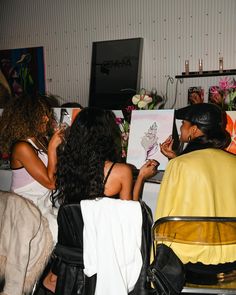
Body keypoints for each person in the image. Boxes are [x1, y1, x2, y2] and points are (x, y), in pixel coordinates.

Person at [34, 107, 157, 295]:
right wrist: (141, 177)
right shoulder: (120, 171)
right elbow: (131, 217)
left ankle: (54, 275)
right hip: (105, 243)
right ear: (107, 136)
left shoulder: (67, 166)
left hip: (75, 242)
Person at [155, 103, 236, 281]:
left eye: (183, 123)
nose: (181, 127)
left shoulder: (181, 165)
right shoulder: (233, 162)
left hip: (190, 263)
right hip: (232, 260)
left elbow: (163, 221)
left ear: (194, 129)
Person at [0, 94, 64, 241]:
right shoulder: (22, 147)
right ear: (28, 117)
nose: (47, 119)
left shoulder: (40, 141)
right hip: (26, 212)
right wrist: (53, 147)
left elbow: (53, 171)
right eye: (42, 115)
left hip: (42, 207)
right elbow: (51, 183)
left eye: (47, 114)